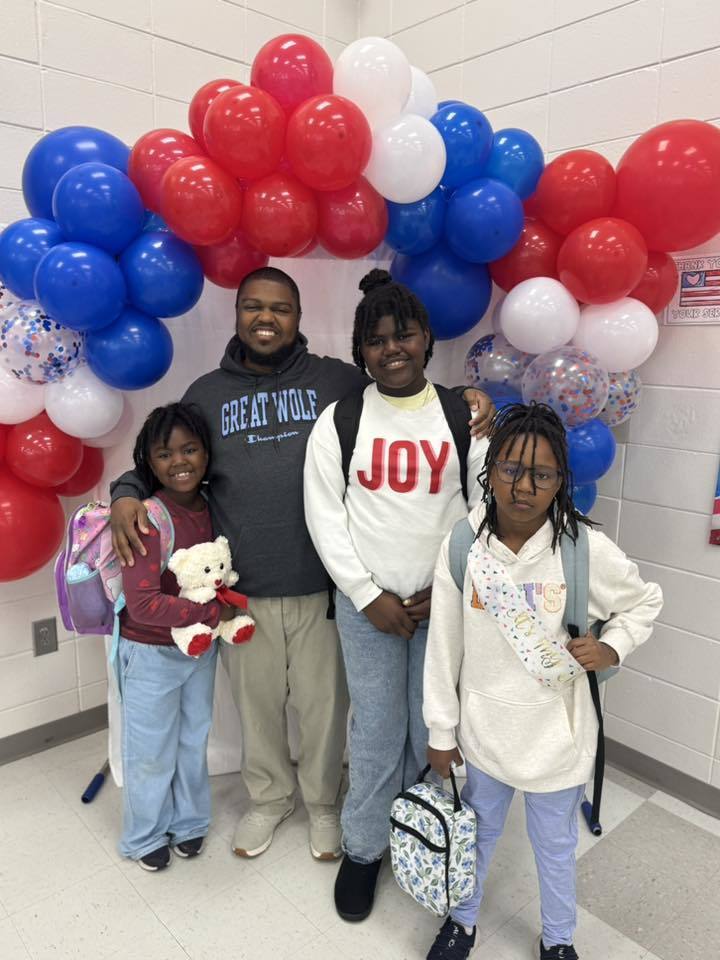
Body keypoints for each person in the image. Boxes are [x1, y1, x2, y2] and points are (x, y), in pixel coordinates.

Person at [110, 266, 494, 863]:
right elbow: (166, 451)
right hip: (241, 593)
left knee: (325, 709)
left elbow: (406, 396)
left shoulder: (339, 382)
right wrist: (127, 490)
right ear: (237, 314)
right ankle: (268, 800)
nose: (267, 318)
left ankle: (322, 803)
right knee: (258, 711)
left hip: (324, 586)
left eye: (281, 308)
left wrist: (469, 402)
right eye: (254, 306)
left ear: (299, 318)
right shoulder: (207, 393)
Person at [422, 403, 663, 960]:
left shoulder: (582, 549)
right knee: (477, 837)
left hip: (558, 737)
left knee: (554, 847)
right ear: (491, 469)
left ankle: (558, 941)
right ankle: (462, 922)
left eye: (543, 474)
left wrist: (611, 647)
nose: (524, 486)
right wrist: (441, 730)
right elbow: (443, 646)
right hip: (483, 733)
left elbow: (644, 602)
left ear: (561, 480)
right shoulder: (462, 546)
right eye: (511, 468)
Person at [304, 269, 489, 923]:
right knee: (379, 732)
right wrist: (366, 594)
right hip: (369, 611)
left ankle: (417, 832)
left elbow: (482, 510)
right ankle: (363, 848)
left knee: (429, 729)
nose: (392, 349)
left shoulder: (460, 415)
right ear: (362, 351)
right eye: (377, 340)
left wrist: (449, 589)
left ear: (426, 338)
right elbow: (325, 518)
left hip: (441, 607)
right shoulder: (340, 422)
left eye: (403, 335)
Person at [118, 402, 237, 871]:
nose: (179, 462)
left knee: (193, 739)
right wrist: (211, 611)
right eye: (165, 454)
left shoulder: (212, 509)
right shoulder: (146, 517)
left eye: (190, 449)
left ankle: (189, 823)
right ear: (148, 460)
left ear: (207, 454)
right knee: (150, 750)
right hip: (149, 654)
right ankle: (144, 833)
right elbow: (143, 603)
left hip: (198, 651)